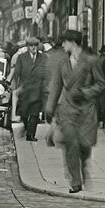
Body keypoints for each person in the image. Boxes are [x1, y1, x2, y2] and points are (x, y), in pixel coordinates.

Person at [45, 29, 105, 194]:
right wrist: (49, 109)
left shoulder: (92, 61)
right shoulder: (62, 63)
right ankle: (75, 182)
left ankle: (83, 164)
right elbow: (56, 86)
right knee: (71, 145)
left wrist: (85, 93)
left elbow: (101, 84)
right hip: (68, 111)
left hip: (86, 111)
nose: (62, 45)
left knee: (84, 146)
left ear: (73, 42)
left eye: (65, 42)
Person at [11, 37, 48, 141]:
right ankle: (27, 128)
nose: (33, 48)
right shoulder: (21, 57)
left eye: (35, 46)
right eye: (31, 46)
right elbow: (17, 73)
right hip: (25, 89)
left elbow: (47, 72)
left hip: (37, 89)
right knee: (24, 114)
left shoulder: (43, 57)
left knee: (35, 114)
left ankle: (30, 135)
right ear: (27, 47)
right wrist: (17, 87)